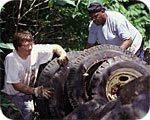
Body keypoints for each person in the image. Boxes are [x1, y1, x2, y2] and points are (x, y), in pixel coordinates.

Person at [1, 30, 68, 120]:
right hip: (12, 96)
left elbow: (56, 47)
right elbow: (16, 85)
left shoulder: (35, 51)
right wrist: (36, 91)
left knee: (29, 116)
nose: (30, 48)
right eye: (26, 46)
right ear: (17, 47)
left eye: (31, 44)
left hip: (27, 95)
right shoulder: (11, 59)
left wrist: (63, 55)